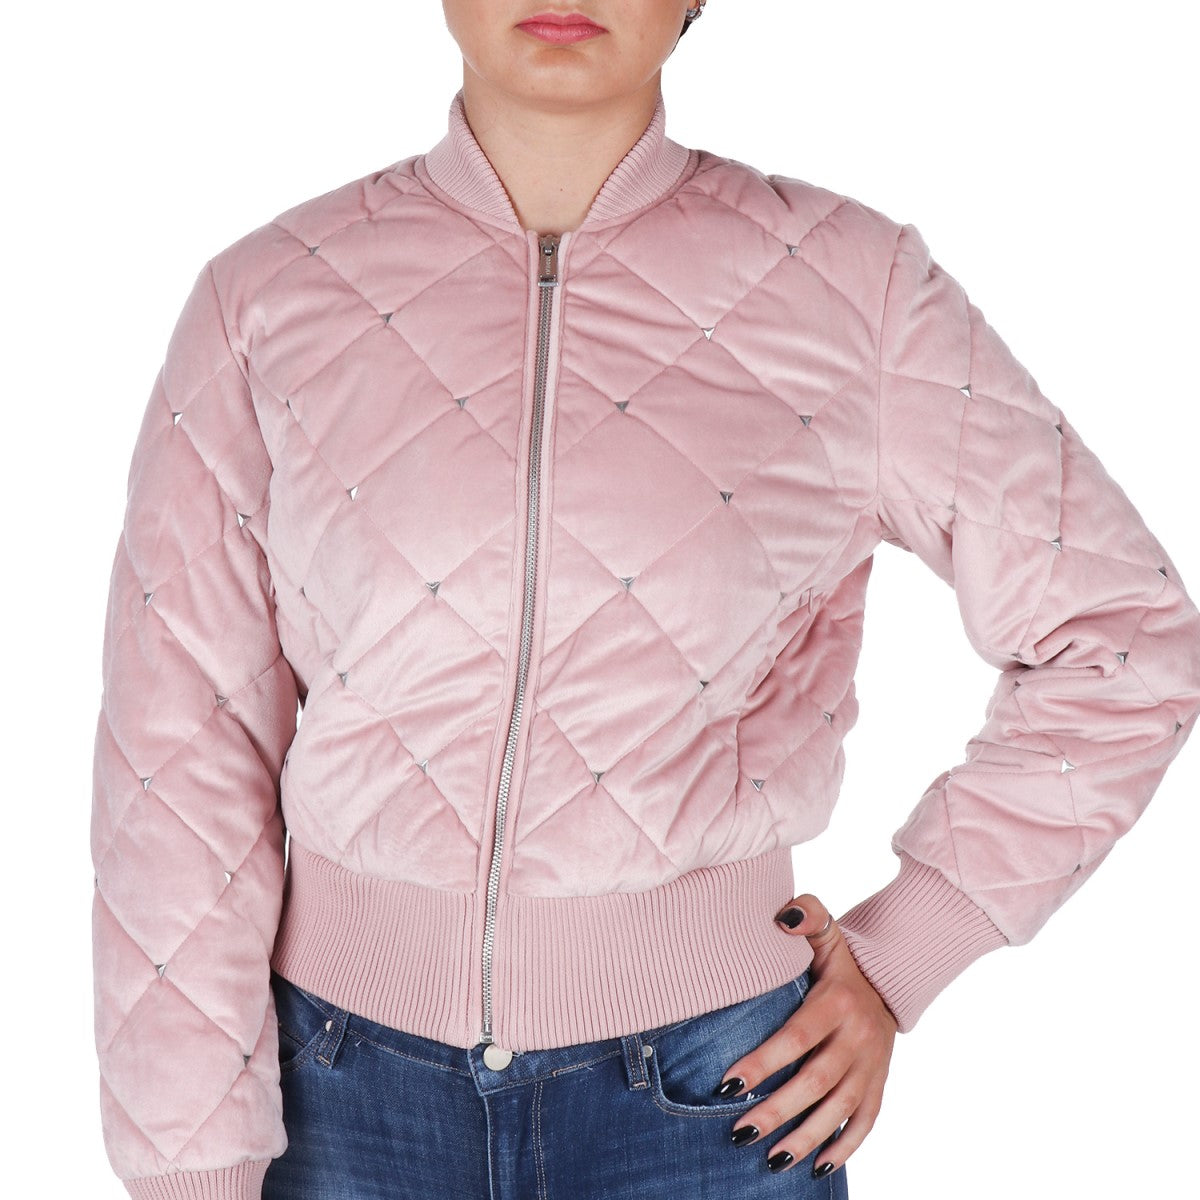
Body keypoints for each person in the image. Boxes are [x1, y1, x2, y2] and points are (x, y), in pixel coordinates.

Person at [88, 3, 1200, 1198]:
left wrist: (904, 952)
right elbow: (179, 754)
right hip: (337, 1106)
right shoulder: (267, 301)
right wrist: (193, 1167)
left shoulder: (853, 291)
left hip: (720, 1102)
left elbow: (1125, 642)